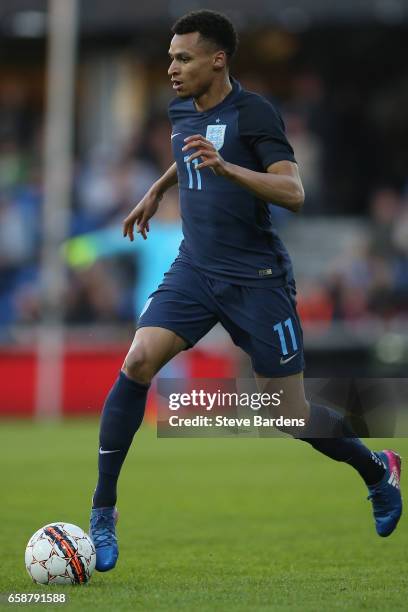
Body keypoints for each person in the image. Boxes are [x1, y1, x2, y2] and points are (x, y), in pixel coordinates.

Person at [89, 10, 402, 572]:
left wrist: (231, 170)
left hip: (257, 280)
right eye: (169, 57)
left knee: (288, 413)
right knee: (137, 362)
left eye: (183, 58)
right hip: (196, 268)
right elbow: (190, 150)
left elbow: (294, 190)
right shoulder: (179, 108)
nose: (172, 68)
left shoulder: (255, 113)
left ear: (218, 59)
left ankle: (377, 469)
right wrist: (157, 189)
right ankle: (102, 512)